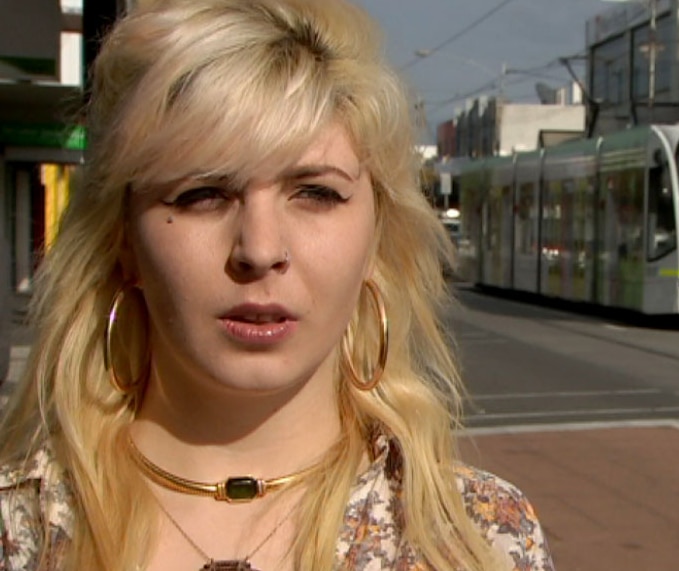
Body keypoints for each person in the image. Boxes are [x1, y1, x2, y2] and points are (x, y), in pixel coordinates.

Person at [0, 0, 555, 570]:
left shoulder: (476, 539)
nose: (259, 250)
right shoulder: (21, 531)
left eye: (314, 192)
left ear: (377, 237)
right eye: (202, 194)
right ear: (124, 240)